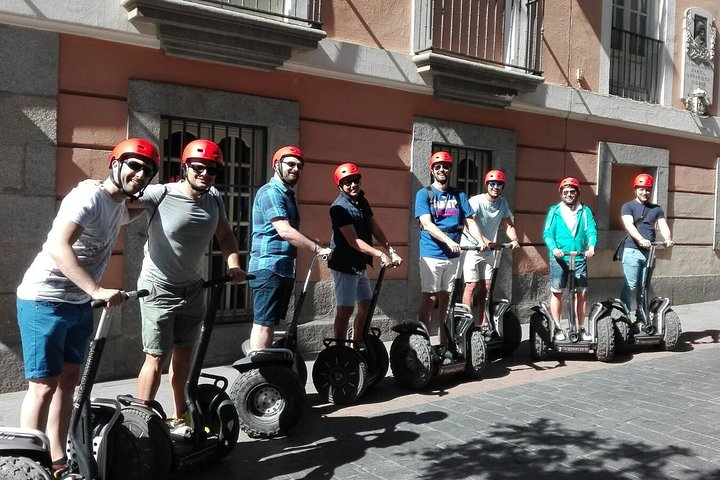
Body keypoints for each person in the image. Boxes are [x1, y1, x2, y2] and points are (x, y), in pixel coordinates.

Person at [16, 138, 159, 467]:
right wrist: (95, 289)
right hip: (44, 299)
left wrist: (167, 191)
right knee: (43, 386)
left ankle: (56, 460)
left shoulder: (116, 205)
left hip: (77, 303)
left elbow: (131, 210)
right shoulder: (88, 196)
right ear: (115, 164)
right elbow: (58, 245)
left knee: (68, 383)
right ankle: (26, 464)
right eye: (134, 165)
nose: (140, 174)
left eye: (147, 171)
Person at [134, 139, 247, 427]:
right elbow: (124, 202)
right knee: (156, 358)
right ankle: (139, 424)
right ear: (185, 167)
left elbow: (225, 236)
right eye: (198, 167)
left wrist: (233, 264)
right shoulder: (161, 193)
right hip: (158, 288)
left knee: (184, 356)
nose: (205, 174)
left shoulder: (214, 198)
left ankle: (179, 416)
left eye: (212, 169)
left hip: (193, 288)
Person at [248, 146, 331, 351]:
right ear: (277, 165)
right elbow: (284, 231)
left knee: (271, 323)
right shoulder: (270, 192)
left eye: (299, 166)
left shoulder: (286, 194)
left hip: (281, 267)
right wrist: (317, 249)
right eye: (291, 164)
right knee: (264, 323)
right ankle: (259, 372)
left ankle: (268, 371)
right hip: (268, 266)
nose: (296, 169)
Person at [415, 151, 486, 356]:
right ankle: (423, 345)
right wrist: (448, 240)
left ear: (450, 170)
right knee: (429, 298)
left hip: (453, 256)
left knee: (447, 299)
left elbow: (470, 220)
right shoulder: (424, 194)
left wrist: (480, 241)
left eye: (445, 166)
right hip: (432, 252)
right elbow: (427, 224)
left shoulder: (459, 194)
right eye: (438, 167)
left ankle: (445, 343)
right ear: (432, 170)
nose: (442, 170)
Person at [328, 163, 402, 343]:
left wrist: (390, 250)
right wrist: (379, 254)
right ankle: (339, 349)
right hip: (344, 264)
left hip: (359, 263)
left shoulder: (361, 201)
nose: (353, 185)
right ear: (340, 186)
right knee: (345, 310)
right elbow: (354, 241)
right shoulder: (338, 208)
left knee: (366, 306)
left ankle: (357, 342)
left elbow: (374, 228)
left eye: (355, 180)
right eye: (347, 183)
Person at [460, 170, 520, 328]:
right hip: (471, 248)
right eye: (492, 184)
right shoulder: (476, 201)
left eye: (499, 184)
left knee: (486, 287)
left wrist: (514, 239)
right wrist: (487, 242)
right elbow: (470, 225)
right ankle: (467, 323)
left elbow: (508, 225)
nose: (495, 187)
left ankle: (483, 322)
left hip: (488, 251)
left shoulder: (502, 203)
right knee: (471, 286)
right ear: (487, 185)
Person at [542, 177, 597, 341]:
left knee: (581, 293)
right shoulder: (555, 211)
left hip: (579, 258)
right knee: (558, 293)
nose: (569, 194)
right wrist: (554, 249)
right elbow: (548, 234)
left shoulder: (585, 211)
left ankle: (580, 328)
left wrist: (591, 247)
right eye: (565, 192)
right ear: (561, 194)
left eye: (572, 191)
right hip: (560, 259)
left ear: (578, 192)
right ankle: (558, 328)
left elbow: (591, 231)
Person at [620, 173, 673, 327]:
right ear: (636, 189)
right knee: (630, 285)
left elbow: (663, 225)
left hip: (649, 253)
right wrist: (641, 239)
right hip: (632, 251)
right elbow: (629, 225)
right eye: (641, 189)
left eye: (647, 190)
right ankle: (624, 318)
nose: (644, 192)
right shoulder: (628, 206)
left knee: (644, 287)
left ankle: (640, 318)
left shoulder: (656, 209)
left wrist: (668, 238)